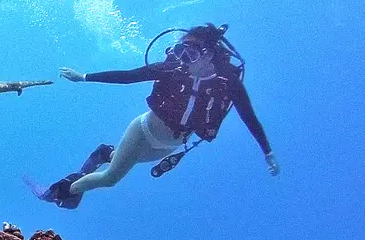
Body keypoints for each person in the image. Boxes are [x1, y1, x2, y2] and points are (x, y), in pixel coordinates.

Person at [31, 23, 278, 209]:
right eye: (181, 52)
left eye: (190, 54)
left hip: (167, 147)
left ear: (208, 53)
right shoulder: (172, 69)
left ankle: (105, 153)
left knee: (120, 160)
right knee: (110, 178)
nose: (183, 60)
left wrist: (267, 152)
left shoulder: (228, 82)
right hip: (143, 131)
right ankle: (63, 191)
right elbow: (128, 76)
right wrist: (84, 76)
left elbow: (249, 116)